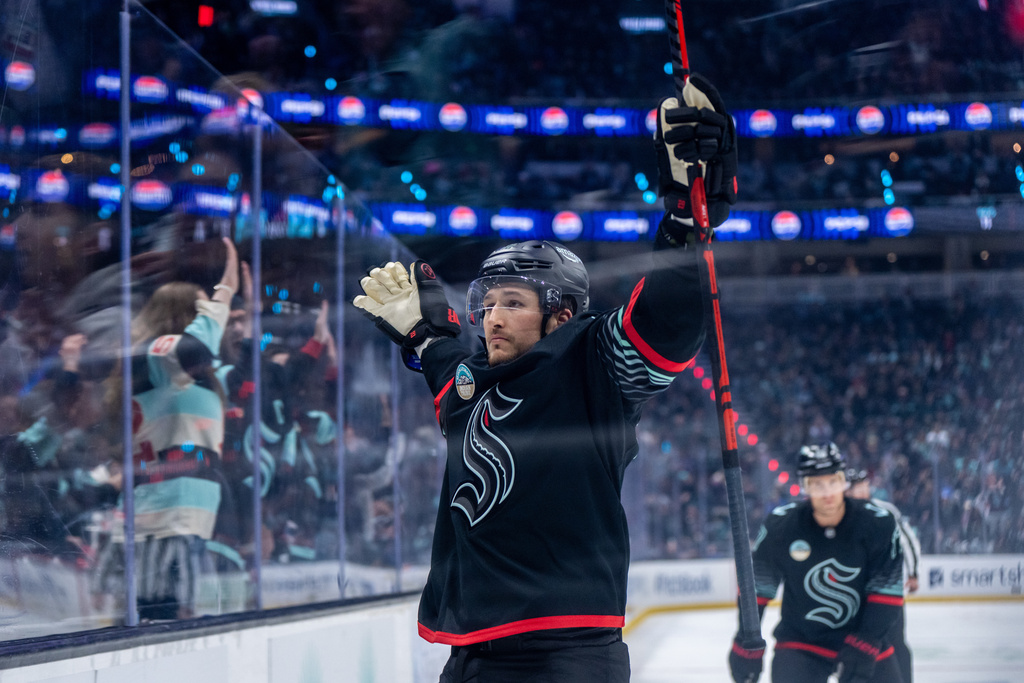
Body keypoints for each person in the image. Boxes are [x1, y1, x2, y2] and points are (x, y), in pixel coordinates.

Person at [352, 74, 737, 682]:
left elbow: (662, 319)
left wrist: (685, 227)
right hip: (472, 654)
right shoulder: (469, 384)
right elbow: (446, 360)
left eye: (512, 302)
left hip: (568, 653)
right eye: (487, 302)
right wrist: (425, 336)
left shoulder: (590, 364)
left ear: (560, 314)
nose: (491, 317)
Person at [92, 237, 239, 621]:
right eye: (202, 306)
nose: (213, 312)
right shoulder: (163, 353)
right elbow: (194, 348)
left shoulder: (177, 377)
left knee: (162, 610)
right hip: (168, 509)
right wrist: (223, 294)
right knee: (163, 613)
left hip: (173, 505)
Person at [729, 443, 905, 683]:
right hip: (801, 642)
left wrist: (866, 642)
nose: (827, 492)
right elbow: (757, 590)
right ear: (805, 487)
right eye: (817, 484)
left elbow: (887, 594)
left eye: (833, 481)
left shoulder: (878, 524)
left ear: (844, 481)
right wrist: (746, 639)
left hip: (863, 637)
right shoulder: (782, 526)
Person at [846, 468, 920, 683]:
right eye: (855, 487)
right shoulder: (841, 515)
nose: (861, 491)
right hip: (856, 596)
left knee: (895, 642)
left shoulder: (886, 511)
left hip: (887, 591)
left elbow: (908, 542)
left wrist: (914, 573)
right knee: (860, 643)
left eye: (863, 486)